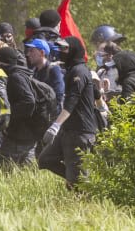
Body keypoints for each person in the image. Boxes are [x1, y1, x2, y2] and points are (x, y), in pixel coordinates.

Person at [39, 37, 99, 188]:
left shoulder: (79, 71)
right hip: (69, 130)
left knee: (77, 184)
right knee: (45, 159)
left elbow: (72, 100)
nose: (61, 51)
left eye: (65, 48)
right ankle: (78, 180)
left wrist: (56, 125)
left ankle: (84, 190)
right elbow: (96, 92)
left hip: (79, 132)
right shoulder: (74, 70)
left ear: (74, 50)